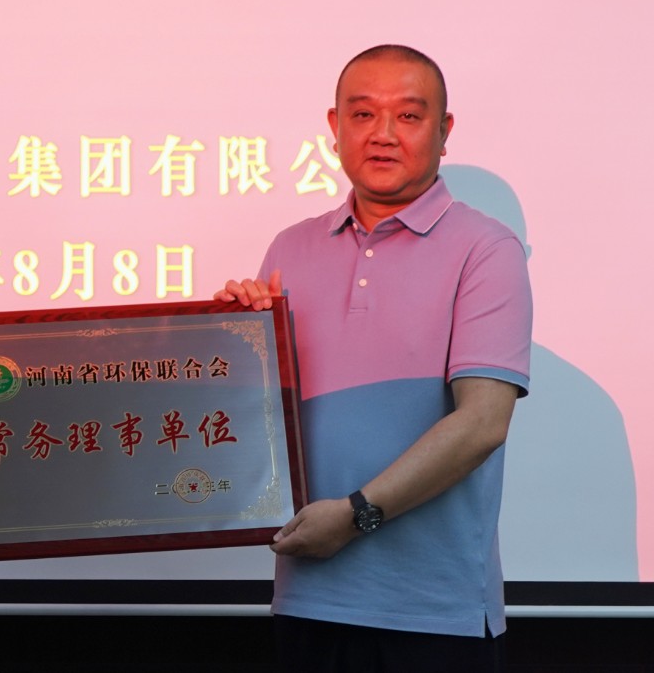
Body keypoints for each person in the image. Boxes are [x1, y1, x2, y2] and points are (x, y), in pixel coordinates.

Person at [219, 45, 532, 673]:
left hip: (434, 616)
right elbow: (257, 424)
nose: (383, 134)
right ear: (334, 128)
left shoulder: (486, 249)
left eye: (409, 116)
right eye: (362, 114)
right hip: (308, 600)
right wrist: (229, 343)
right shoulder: (290, 247)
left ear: (444, 131)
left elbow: (482, 424)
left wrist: (355, 516)